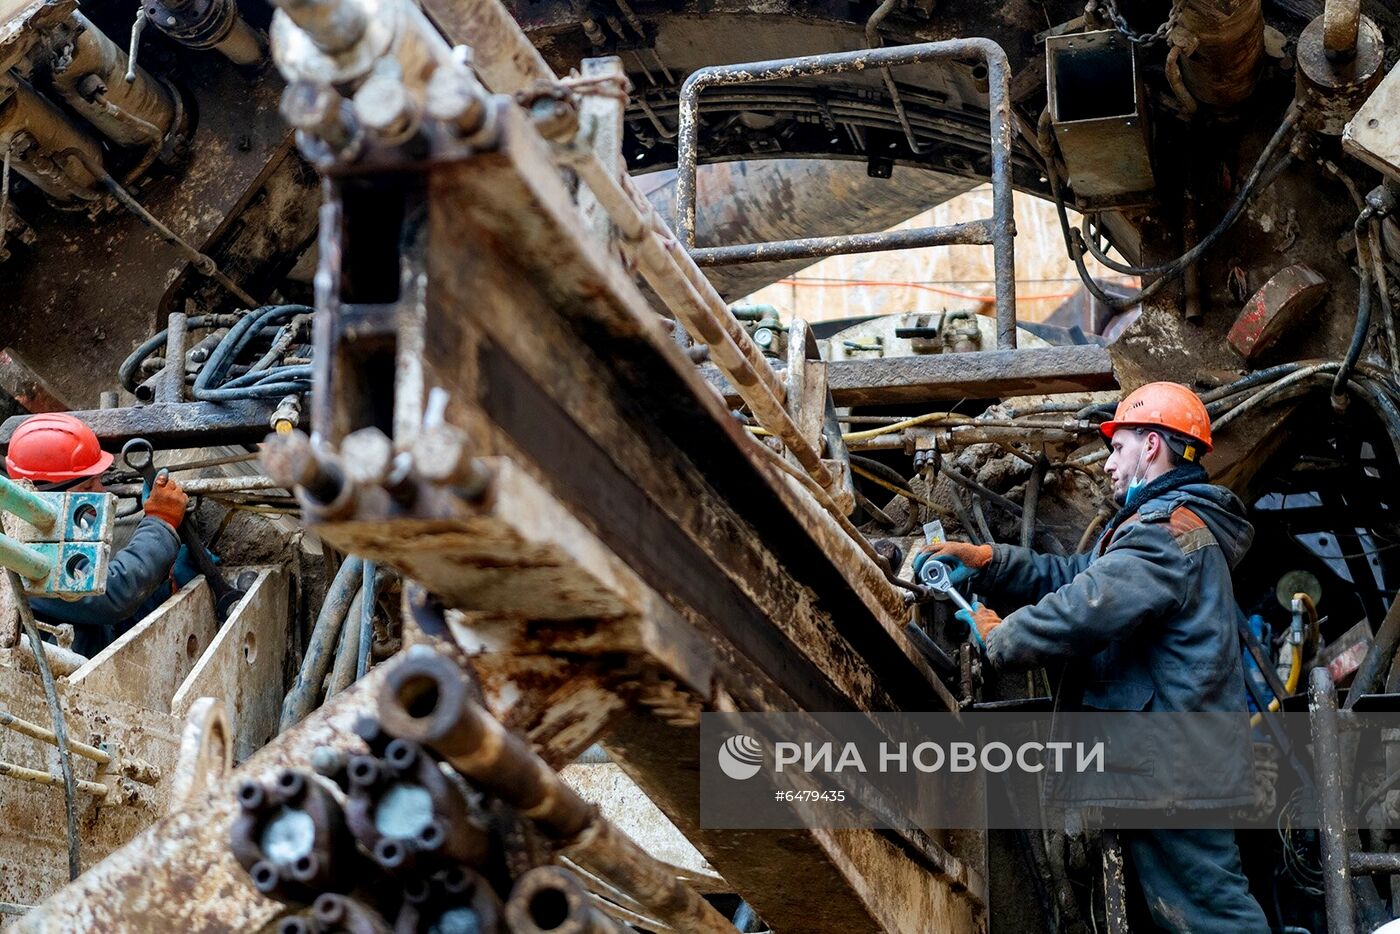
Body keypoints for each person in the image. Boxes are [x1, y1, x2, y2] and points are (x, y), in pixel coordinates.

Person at [919, 381, 1269, 932]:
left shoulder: (1167, 532)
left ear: (1152, 445)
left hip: (1175, 768)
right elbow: (1076, 577)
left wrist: (1002, 635)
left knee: (1211, 915)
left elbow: (1084, 608)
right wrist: (990, 561)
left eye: (1118, 447)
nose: (1108, 464)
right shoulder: (1154, 527)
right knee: (1180, 912)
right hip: (1168, 763)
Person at [4, 413, 189, 657]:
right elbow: (111, 595)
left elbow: (105, 627)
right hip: (56, 682)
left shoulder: (35, 522)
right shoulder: (20, 550)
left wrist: (166, 589)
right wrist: (160, 524)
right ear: (44, 495)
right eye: (88, 487)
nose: (102, 493)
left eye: (99, 481)